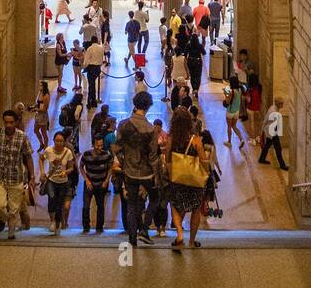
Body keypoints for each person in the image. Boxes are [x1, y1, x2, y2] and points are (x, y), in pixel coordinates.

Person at [115, 90, 160, 247]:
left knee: (131, 206)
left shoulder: (124, 125)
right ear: (148, 107)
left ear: (134, 104)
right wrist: (156, 175)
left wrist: (124, 161)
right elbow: (153, 156)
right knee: (155, 199)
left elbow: (117, 147)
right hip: (146, 172)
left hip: (129, 171)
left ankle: (132, 240)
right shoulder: (151, 129)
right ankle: (145, 228)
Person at [166, 108, 212, 252]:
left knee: (175, 206)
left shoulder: (171, 139)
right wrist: (208, 168)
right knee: (196, 209)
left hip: (178, 178)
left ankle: (179, 234)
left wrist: (171, 174)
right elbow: (203, 161)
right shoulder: (196, 140)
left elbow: (167, 159)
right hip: (194, 180)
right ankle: (192, 241)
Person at [0, 108, 35, 239]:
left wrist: (32, 176)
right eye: (6, 122)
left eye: (11, 122)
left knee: (14, 209)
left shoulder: (22, 137)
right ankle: (4, 219)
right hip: (0, 175)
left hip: (16, 177)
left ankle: (11, 233)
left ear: (16, 122)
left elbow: (28, 157)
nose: (8, 125)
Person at [39, 130, 75, 235]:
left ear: (64, 141)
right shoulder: (49, 150)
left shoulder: (67, 152)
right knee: (52, 198)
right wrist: (42, 172)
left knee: (60, 203)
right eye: (57, 141)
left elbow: (71, 167)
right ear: (53, 140)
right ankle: (52, 221)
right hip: (51, 180)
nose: (59, 143)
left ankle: (58, 224)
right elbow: (41, 159)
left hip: (63, 182)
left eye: (61, 141)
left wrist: (65, 172)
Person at [80, 132, 113, 233]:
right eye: (97, 145)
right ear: (93, 144)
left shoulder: (106, 155)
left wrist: (107, 180)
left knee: (100, 206)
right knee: (86, 206)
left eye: (101, 145)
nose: (99, 147)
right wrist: (87, 180)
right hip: (89, 183)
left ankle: (99, 227)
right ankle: (86, 226)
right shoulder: (86, 154)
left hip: (101, 184)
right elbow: (81, 166)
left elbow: (110, 167)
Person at [258, 98, 289, 169]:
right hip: (271, 131)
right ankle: (282, 165)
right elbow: (271, 123)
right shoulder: (274, 111)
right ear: (278, 104)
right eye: (281, 103)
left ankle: (261, 159)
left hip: (270, 130)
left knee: (267, 145)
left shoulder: (273, 107)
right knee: (278, 148)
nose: (283, 105)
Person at [223, 75, 247, 149]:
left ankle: (229, 142)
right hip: (237, 111)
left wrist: (225, 94)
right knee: (234, 126)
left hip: (230, 112)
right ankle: (241, 139)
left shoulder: (232, 92)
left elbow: (227, 101)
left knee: (229, 126)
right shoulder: (240, 90)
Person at [84, 35, 104, 108]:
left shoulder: (90, 49)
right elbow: (102, 59)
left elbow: (86, 61)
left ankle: (90, 102)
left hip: (91, 68)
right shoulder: (101, 48)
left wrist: (84, 67)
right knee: (92, 85)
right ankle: (93, 101)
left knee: (91, 85)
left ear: (91, 41)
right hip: (98, 68)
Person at [244, 71, 263, 143]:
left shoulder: (249, 89)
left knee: (252, 124)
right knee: (258, 124)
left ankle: (253, 139)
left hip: (250, 108)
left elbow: (248, 100)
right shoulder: (259, 87)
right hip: (258, 107)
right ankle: (258, 137)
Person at [33, 79, 51, 149]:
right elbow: (38, 103)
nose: (39, 86)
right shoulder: (40, 92)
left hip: (43, 116)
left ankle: (46, 147)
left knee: (44, 133)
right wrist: (34, 107)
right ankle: (41, 143)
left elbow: (45, 109)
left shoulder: (46, 96)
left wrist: (36, 109)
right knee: (35, 130)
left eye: (41, 85)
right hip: (38, 115)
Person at [186, 31, 204, 97]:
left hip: (190, 61)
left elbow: (185, 53)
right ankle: (197, 89)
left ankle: (194, 88)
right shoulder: (199, 45)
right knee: (198, 76)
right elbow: (204, 52)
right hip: (198, 62)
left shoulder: (189, 45)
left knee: (192, 76)